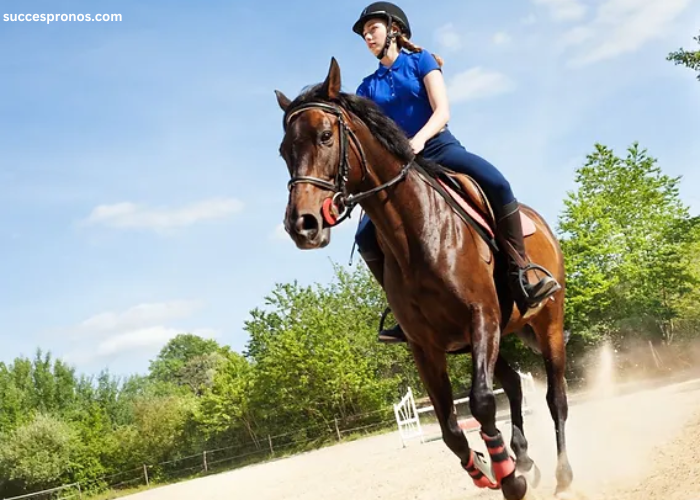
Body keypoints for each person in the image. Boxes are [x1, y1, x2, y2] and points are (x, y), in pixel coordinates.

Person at [351, 2, 561, 343]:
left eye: (371, 29)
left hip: (439, 149)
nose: (367, 37)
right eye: (363, 34)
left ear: (394, 30)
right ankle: (403, 310)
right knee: (364, 237)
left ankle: (522, 272)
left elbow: (442, 111)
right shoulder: (366, 87)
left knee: (498, 184)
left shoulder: (422, 61)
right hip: (401, 170)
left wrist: (417, 141)